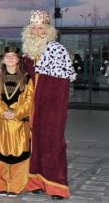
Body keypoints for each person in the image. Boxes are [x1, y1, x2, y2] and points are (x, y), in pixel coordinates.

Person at [22, 10, 76, 200]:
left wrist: (54, 110)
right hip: (32, 108)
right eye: (34, 28)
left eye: (41, 27)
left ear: (48, 29)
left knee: (52, 144)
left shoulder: (56, 50)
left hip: (51, 108)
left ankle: (57, 186)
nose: (37, 31)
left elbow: (61, 86)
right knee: (34, 144)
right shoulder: (28, 53)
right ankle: (35, 182)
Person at [0, 47, 35, 197]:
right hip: (1, 124)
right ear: (3, 59)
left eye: (13, 56)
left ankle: (16, 185)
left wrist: (15, 112)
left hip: (19, 125)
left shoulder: (27, 78)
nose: (10, 59)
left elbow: (29, 100)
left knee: (19, 156)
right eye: (7, 56)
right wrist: (3, 112)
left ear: (18, 59)